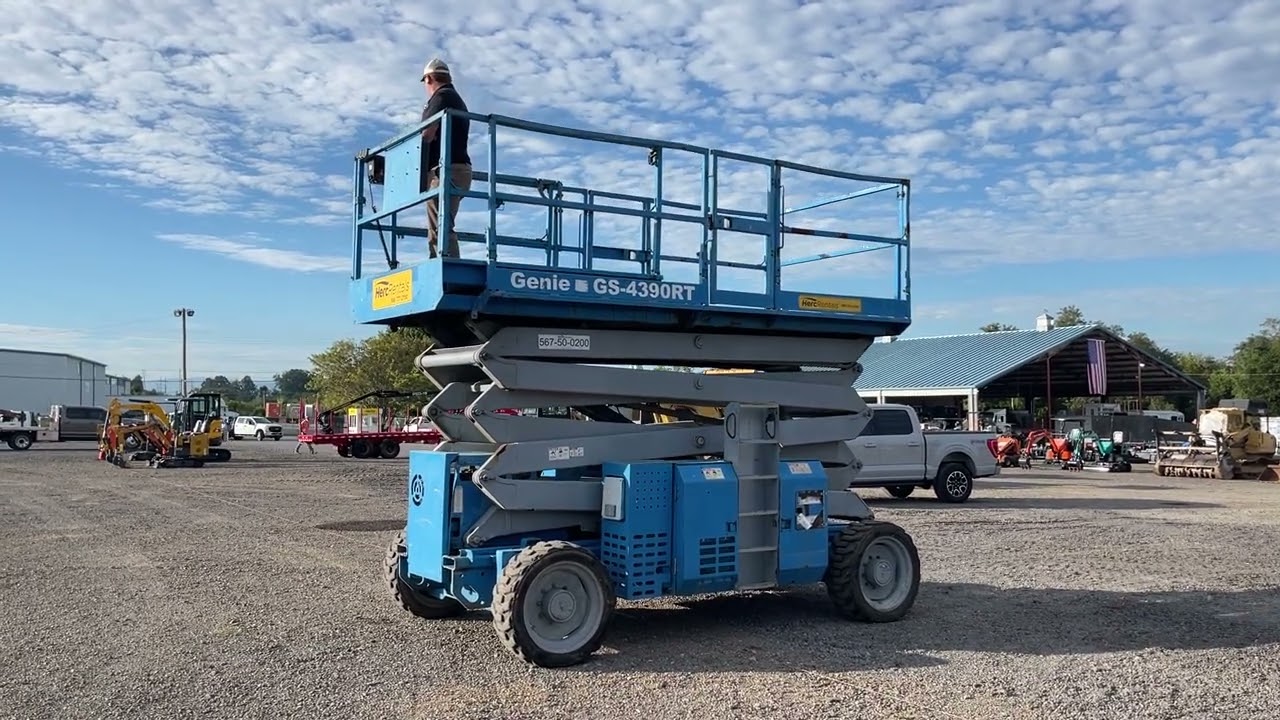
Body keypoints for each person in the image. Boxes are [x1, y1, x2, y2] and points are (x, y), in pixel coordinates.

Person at [419, 57, 473, 259]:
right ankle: (447, 267)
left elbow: (427, 133)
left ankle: (445, 270)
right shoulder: (455, 98)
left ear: (429, 78)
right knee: (444, 222)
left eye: (425, 82)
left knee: (440, 225)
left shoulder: (441, 97)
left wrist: (415, 164)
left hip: (447, 170)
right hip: (459, 170)